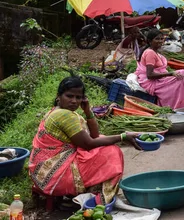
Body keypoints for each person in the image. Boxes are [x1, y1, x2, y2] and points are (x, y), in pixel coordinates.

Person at [30, 76, 141, 204]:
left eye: (78, 97)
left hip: (42, 173)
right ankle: (98, 196)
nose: (74, 101)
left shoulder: (59, 111)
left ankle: (91, 190)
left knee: (104, 141)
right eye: (69, 96)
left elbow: (94, 135)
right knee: (112, 152)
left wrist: (87, 111)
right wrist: (122, 137)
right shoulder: (63, 115)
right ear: (58, 96)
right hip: (54, 176)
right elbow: (89, 144)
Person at [135, 29, 184, 109]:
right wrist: (170, 74)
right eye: (157, 39)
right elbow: (149, 75)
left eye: (161, 39)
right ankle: (175, 106)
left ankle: (178, 103)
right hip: (151, 82)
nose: (160, 41)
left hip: (157, 80)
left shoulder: (155, 52)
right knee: (183, 73)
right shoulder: (150, 53)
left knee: (183, 73)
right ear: (150, 41)